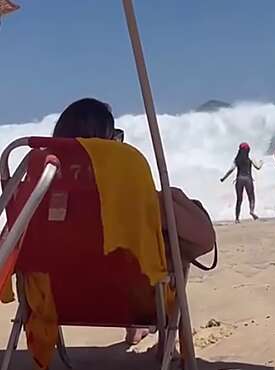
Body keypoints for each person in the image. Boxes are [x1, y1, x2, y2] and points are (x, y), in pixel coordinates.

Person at [52, 98, 216, 345]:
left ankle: (136, 326)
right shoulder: (131, 192)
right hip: (132, 303)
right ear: (108, 142)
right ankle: (157, 335)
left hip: (56, 301)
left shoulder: (41, 190)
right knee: (170, 245)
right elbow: (204, 239)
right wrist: (173, 198)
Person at [220, 142, 262, 223]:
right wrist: (261, 162)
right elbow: (258, 167)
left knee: (239, 199)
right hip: (248, 179)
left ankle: (237, 218)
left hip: (239, 179)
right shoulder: (250, 159)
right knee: (251, 197)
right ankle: (252, 211)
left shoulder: (237, 160)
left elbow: (231, 170)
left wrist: (223, 178)